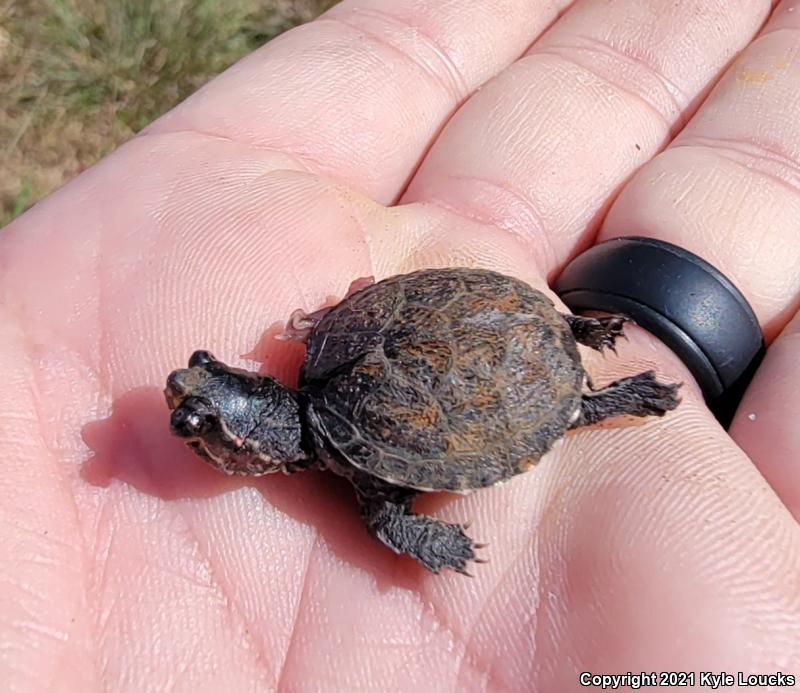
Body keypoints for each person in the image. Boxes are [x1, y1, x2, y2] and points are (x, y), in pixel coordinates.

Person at [1, 0, 798, 689]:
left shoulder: (360, 458)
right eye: (199, 412)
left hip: (515, 348)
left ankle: (602, 394)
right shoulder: (322, 352)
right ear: (249, 437)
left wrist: (419, 535)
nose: (190, 401)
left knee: (418, 499)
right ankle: (589, 360)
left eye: (197, 410)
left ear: (247, 451)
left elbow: (394, 510)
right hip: (515, 317)